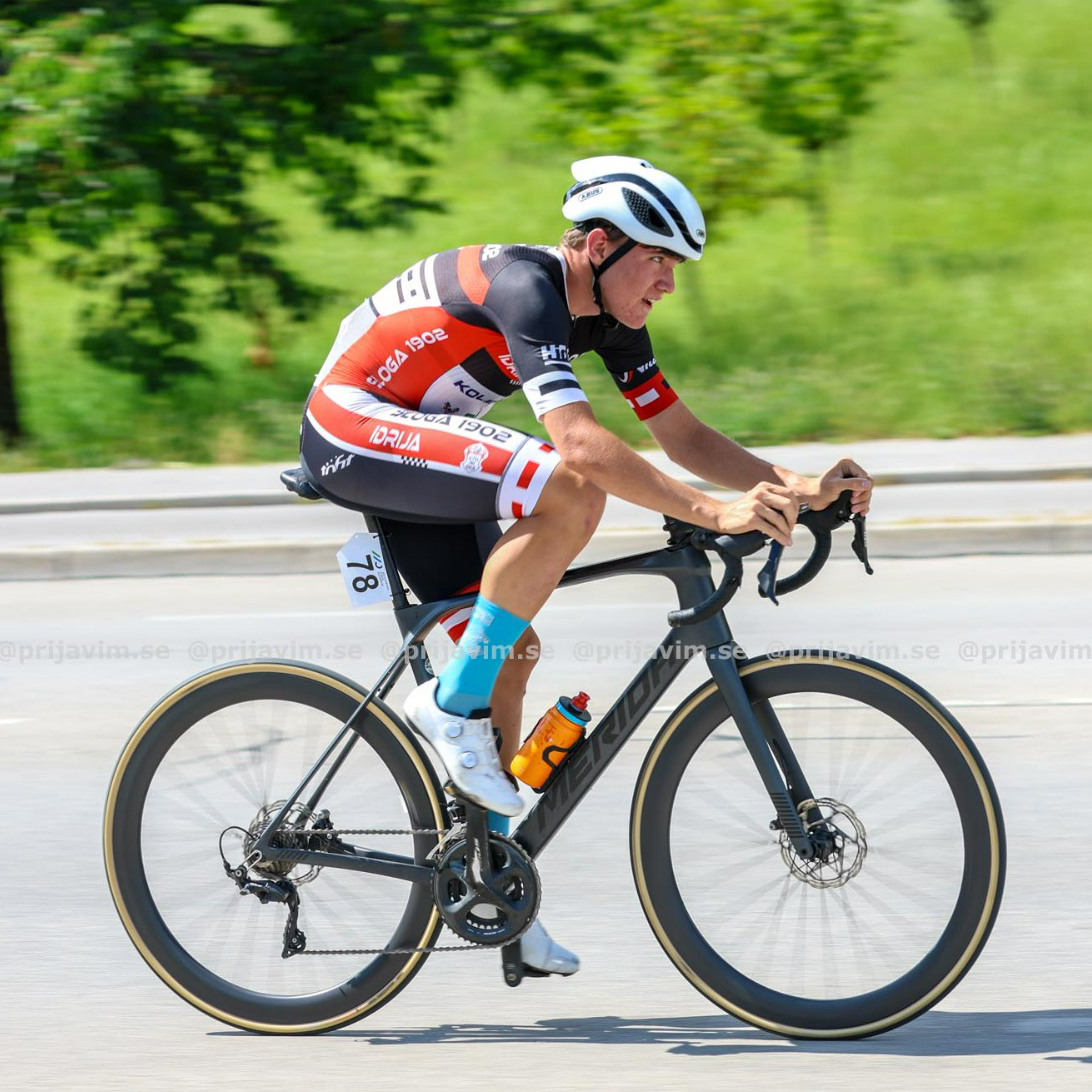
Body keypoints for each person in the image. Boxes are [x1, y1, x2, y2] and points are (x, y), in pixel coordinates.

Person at [300, 155, 873, 976]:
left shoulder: (608, 317)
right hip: (352, 427)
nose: (668, 282)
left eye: (676, 266)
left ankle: (492, 888)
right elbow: (577, 443)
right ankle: (448, 708)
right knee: (571, 488)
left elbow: (682, 436)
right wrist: (712, 512)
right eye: (658, 260)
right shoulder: (528, 287)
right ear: (599, 247)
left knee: (509, 654)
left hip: (418, 441)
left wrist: (800, 487)